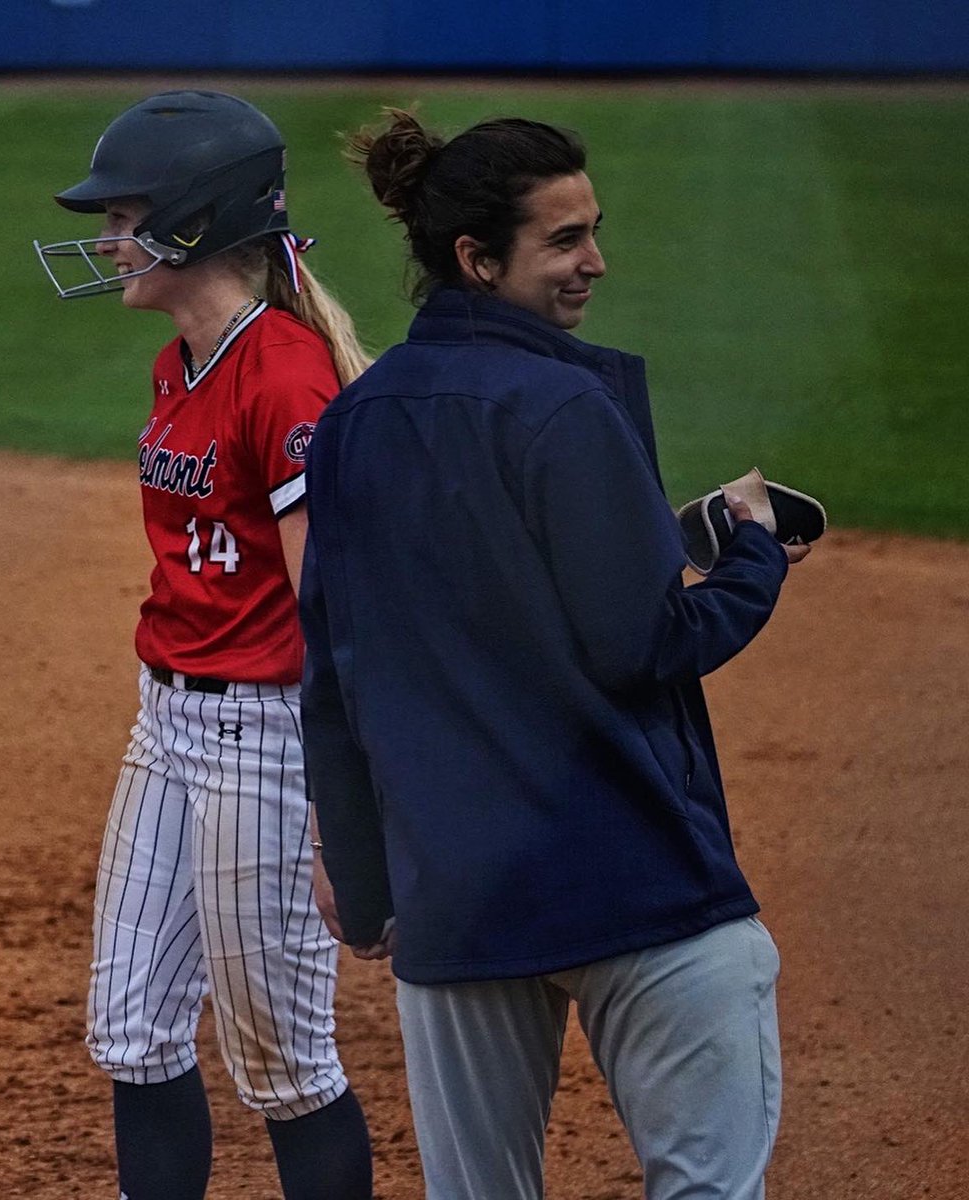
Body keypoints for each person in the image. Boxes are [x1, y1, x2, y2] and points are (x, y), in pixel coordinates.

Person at [299, 110, 814, 1200]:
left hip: (458, 905)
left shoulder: (353, 423)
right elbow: (645, 641)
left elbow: (335, 677)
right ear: (478, 261)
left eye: (593, 230)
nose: (596, 262)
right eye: (565, 241)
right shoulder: (563, 405)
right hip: (629, 879)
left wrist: (365, 878)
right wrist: (754, 556)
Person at [33, 91, 374, 1200]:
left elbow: (332, 607)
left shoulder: (283, 375)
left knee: (284, 1065)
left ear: (191, 222)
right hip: (167, 721)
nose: (103, 237)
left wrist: (340, 803)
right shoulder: (180, 361)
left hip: (267, 740)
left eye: (122, 215)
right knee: (131, 1030)